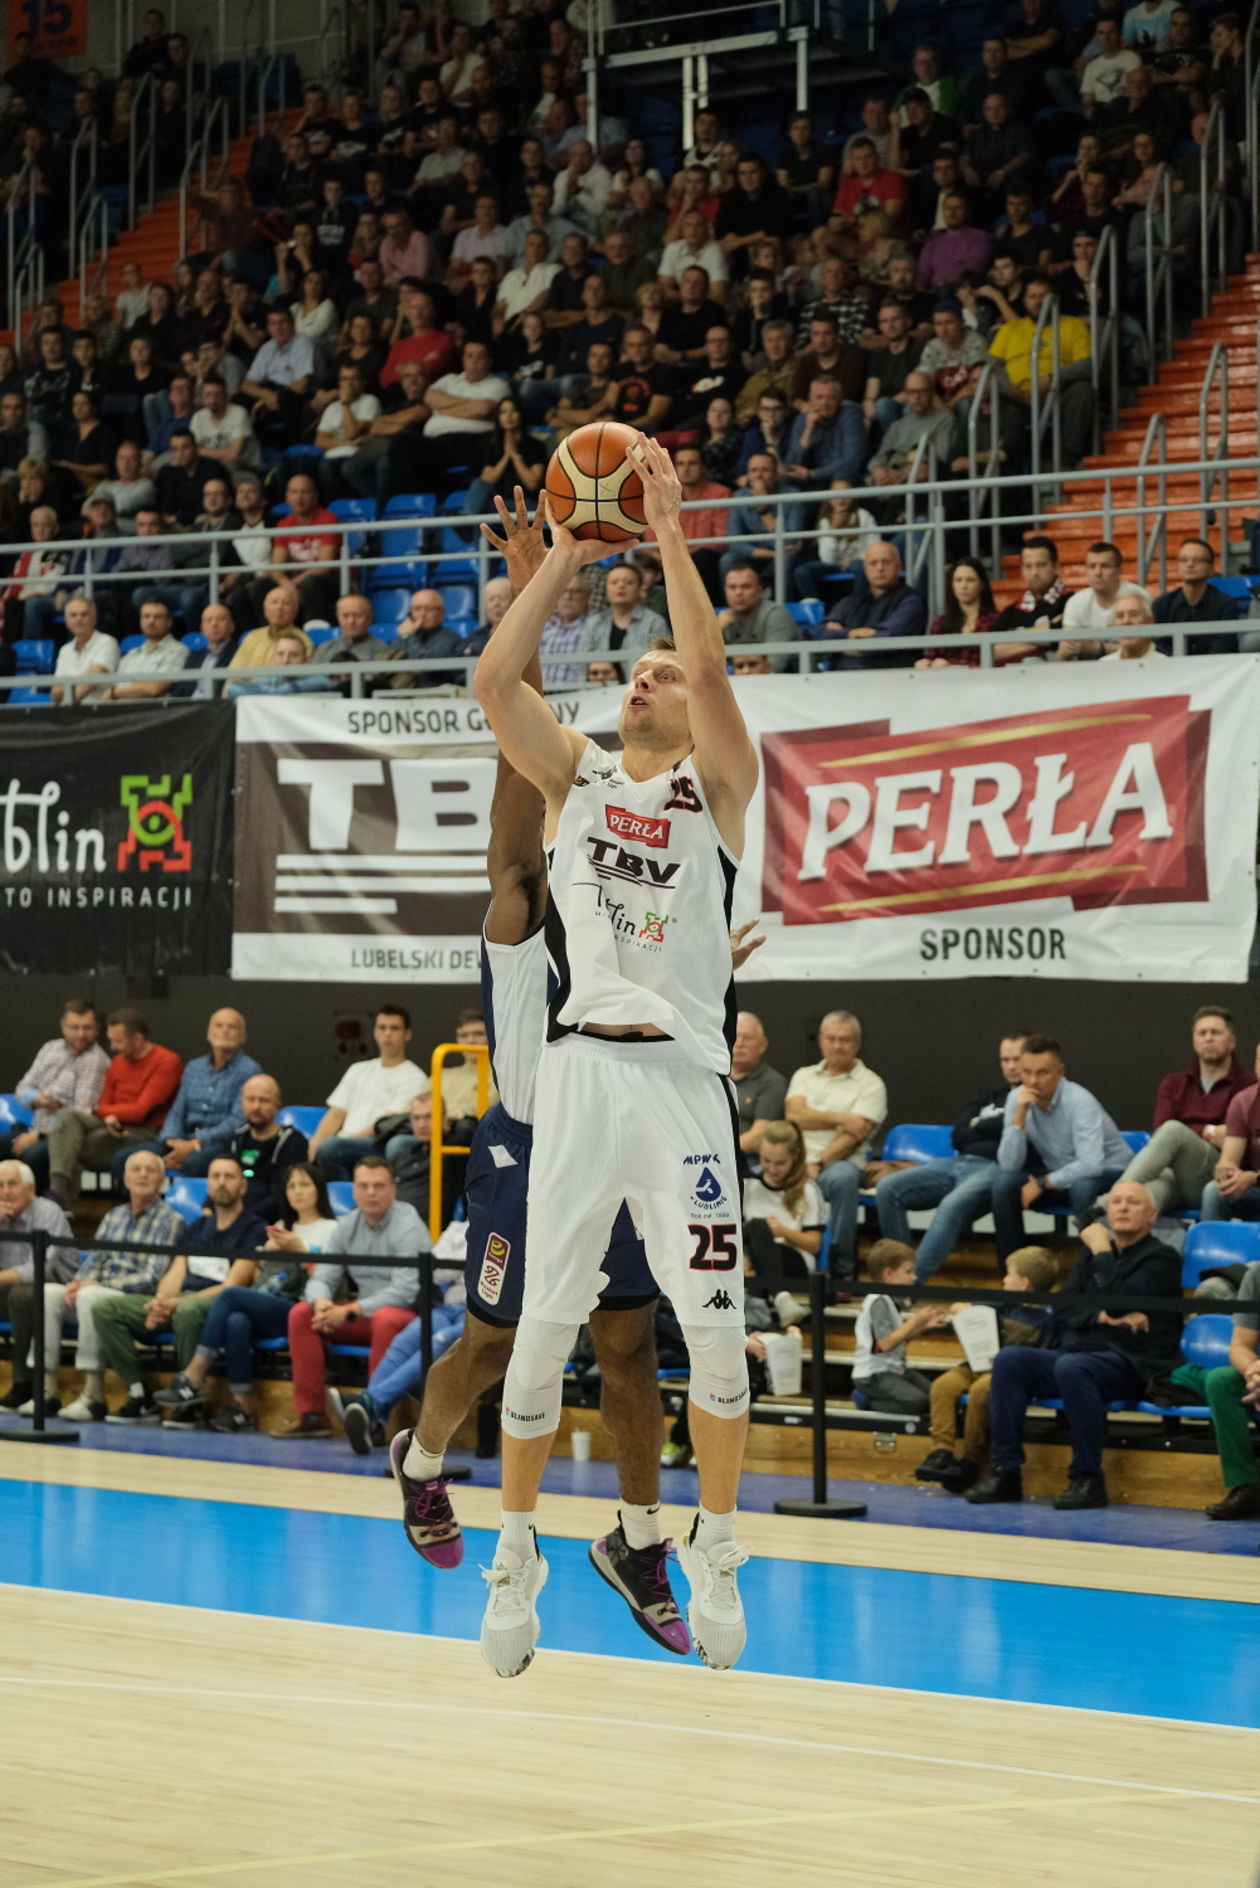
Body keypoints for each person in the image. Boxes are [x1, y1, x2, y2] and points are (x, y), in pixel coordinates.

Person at [472, 441, 760, 1676]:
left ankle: (719, 1548)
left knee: (717, 1331)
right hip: (584, 1072)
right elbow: (493, 682)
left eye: (659, 675)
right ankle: (516, 1555)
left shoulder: (723, 790)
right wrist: (573, 559)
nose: (643, 680)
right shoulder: (577, 779)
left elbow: (706, 658)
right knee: (542, 1335)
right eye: (630, 672)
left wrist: (670, 530)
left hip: (686, 1087)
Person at [968, 1181, 1182, 1509]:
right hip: (1081, 1355)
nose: (1122, 1208)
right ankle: (1005, 1472)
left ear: (1151, 1215)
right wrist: (1101, 1317)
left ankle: (1087, 1478)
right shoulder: (1090, 1260)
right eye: (1116, 1202)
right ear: (1107, 1211)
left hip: (1132, 1363)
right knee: (1012, 1359)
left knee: (1073, 1366)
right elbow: (1064, 1310)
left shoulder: (1162, 1259)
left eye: (1133, 1203)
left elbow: (1119, 1302)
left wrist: (1101, 1253)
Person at [155, 1161, 339, 1433]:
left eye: (305, 1185)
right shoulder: (279, 1226)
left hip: (305, 1308)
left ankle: (194, 1374)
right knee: (236, 1321)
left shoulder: (332, 1228)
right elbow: (261, 1276)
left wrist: (300, 1251)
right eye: (291, 1186)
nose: (298, 1192)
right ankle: (243, 1407)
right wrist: (267, 1254)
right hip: (271, 1299)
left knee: (230, 1295)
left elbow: (329, 1282)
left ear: (319, 1190)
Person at [92, 1155, 270, 1425]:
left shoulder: (253, 1228)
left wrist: (175, 1304)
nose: (221, 1183)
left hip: (219, 1303)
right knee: (105, 1309)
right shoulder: (197, 1227)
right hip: (180, 1300)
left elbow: (234, 1285)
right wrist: (161, 1302)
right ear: (208, 1184)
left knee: (187, 1310)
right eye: (215, 1177)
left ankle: (191, 1400)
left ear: (242, 1186)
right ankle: (139, 1394)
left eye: (229, 1177)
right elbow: (177, 1270)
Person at [274, 1156, 427, 1439]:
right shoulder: (347, 1225)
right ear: (354, 1190)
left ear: (392, 1190)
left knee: (385, 1317)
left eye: (378, 1186)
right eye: (364, 1186)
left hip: (408, 1319)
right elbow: (322, 1276)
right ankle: (312, 1415)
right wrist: (321, 1302)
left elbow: (406, 1292)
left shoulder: (409, 1224)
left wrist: (350, 1309)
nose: (371, 1193)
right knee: (302, 1314)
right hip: (361, 1316)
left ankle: (375, 1419)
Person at [41, 1149, 186, 1422]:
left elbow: (153, 1276)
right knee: (49, 1293)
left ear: (162, 1180)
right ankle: (46, 1390)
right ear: (125, 1179)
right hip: (95, 1289)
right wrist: (78, 1281)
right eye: (136, 1170)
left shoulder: (171, 1220)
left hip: (132, 1298)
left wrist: (95, 1284)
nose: (143, 1175)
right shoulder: (114, 1215)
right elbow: (94, 1260)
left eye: (150, 1170)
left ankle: (93, 1394)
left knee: (91, 1296)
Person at [877, 1034, 1028, 1282]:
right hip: (957, 1162)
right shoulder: (987, 1097)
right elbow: (958, 1136)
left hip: (995, 1167)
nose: (1010, 1066)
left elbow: (1015, 1130)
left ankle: (911, 1285)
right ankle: (899, 1272)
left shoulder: (1030, 1100)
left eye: (1016, 1059)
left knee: (951, 1205)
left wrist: (979, 1124)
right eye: (1005, 1060)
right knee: (887, 1188)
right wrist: (993, 1126)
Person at [917, 1245, 1059, 1493]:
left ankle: (971, 1459)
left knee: (980, 1393)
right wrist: (964, 1311)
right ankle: (940, 1451)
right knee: (942, 1386)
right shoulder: (1004, 1303)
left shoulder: (1049, 1320)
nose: (1004, 1279)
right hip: (974, 1365)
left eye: (1009, 1274)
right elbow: (962, 1306)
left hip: (1003, 1374)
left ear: (1024, 1283)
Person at [992, 1033, 1132, 1260]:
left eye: (1042, 1072)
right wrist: (1018, 1119)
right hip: (1062, 1177)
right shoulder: (1017, 1099)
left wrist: (1042, 1182)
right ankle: (1015, 1275)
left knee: (1082, 1186)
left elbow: (1090, 1165)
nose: (1033, 1081)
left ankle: (1095, 1271)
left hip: (1110, 1175)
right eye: (1027, 1072)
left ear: (1060, 1072)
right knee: (1004, 1184)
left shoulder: (1080, 1101)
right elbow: (1009, 1165)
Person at [786, 1010, 888, 1287]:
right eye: (832, 1039)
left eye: (845, 1040)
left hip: (839, 1163)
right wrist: (842, 1118)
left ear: (857, 1044)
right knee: (757, 1172)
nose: (838, 1045)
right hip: (794, 1160)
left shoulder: (871, 1084)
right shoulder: (803, 1075)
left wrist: (818, 1162)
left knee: (843, 1179)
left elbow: (854, 1137)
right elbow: (794, 1116)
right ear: (821, 1041)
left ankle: (841, 1267)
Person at [1119, 1007, 1251, 1216]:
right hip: (1174, 1175)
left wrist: (1189, 1133)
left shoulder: (1249, 1086)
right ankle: (1102, 1218)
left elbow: (1244, 1141)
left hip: (1216, 1178)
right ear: (1194, 1040)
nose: (1208, 1038)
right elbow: (1161, 1132)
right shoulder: (1173, 1083)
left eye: (1215, 1033)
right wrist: (1209, 1131)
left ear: (1232, 1041)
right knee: (1144, 1198)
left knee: (1174, 1130)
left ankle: (1116, 1194)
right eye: (1202, 1033)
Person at [45, 1010, 182, 1208]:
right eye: (111, 1041)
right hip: (109, 1124)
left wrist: (104, 1112)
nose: (113, 1047)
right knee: (66, 1116)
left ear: (137, 1039)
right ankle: (58, 1193)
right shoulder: (118, 1062)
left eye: (118, 1042)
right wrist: (107, 1116)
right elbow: (103, 1102)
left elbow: (140, 1111)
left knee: (65, 1143)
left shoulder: (167, 1061)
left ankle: (60, 1201)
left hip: (143, 1131)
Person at [111, 1007, 260, 1185]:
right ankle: (139, 1209)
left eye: (232, 1027)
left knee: (194, 1164)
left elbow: (237, 1121)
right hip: (181, 1139)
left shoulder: (249, 1070)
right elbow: (177, 1111)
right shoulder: (193, 1068)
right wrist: (171, 1139)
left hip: (219, 1144)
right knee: (124, 1160)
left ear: (242, 1036)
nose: (225, 1030)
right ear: (208, 1033)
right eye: (218, 1025)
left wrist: (195, 1144)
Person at [309, 1003, 427, 1178]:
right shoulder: (358, 1069)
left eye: (394, 1028)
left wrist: (346, 1139)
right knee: (310, 1152)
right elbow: (336, 1113)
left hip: (379, 1144)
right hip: (344, 1143)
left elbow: (387, 1123)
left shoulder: (415, 1077)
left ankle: (352, 1200)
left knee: (331, 1148)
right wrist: (316, 1141)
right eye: (382, 1027)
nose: (387, 1033)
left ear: (407, 1034)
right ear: (375, 1032)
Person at [2, 998, 109, 1189]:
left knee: (32, 1155)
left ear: (97, 1028)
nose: (81, 1034)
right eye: (74, 1027)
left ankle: (40, 1210)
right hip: (33, 1127)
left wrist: (39, 1136)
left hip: (65, 1137)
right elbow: (22, 1088)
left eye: (87, 1028)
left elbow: (81, 1112)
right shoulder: (50, 1048)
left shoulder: (96, 1061)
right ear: (63, 1025)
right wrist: (36, 1099)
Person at [0, 1161, 75, 1414]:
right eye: (0, 1185)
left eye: (12, 1184)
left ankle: (23, 1383)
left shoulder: (48, 1212)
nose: (5, 1191)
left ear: (30, 1189)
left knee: (22, 1294)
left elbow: (40, 1269)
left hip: (57, 1288)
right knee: (17, 1294)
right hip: (7, 1288)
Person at [850, 1239, 951, 1416]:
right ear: (889, 1274)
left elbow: (898, 1339)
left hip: (894, 1368)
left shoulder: (889, 1300)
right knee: (918, 1403)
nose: (914, 1277)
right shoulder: (879, 1301)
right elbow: (884, 1345)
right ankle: (866, 1402)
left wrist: (922, 1326)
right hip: (874, 1374)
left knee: (936, 1396)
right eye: (909, 1271)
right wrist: (914, 1320)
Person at [820, 540, 927, 668]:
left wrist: (841, 641)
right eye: (873, 563)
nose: (879, 568)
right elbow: (821, 634)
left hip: (891, 678)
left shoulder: (911, 601)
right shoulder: (851, 601)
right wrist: (849, 633)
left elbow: (886, 639)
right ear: (865, 569)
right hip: (839, 678)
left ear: (899, 567)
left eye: (886, 562)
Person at [1199, 1047, 1260, 1225]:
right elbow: (1228, 1159)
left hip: (1254, 1180)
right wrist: (1227, 1174)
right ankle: (1211, 1251)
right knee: (1215, 1191)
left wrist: (1250, 1178)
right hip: (1255, 1189)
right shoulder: (1244, 1101)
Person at [1152, 536, 1240, 655]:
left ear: (1211, 568)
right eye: (1184, 559)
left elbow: (1223, 647)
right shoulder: (1162, 604)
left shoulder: (1225, 604)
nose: (1190, 564)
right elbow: (1158, 648)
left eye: (1198, 560)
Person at [990, 535, 1074, 659]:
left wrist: (1013, 637)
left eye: (1041, 565)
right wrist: (1046, 634)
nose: (1034, 572)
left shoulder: (1072, 602)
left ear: (1055, 566)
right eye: (1028, 566)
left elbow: (1068, 640)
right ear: (1021, 570)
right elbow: (990, 650)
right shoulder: (1011, 611)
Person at [1059, 541, 1151, 645]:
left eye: (1105, 566)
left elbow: (1145, 644)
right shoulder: (1075, 603)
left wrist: (1099, 649)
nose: (1098, 573)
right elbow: (1069, 648)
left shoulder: (1139, 597)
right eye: (1092, 566)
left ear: (1119, 570)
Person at [714, 562, 797, 673]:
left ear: (759, 591)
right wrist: (716, 630)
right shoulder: (723, 620)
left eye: (746, 587)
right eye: (732, 587)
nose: (738, 592)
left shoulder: (776, 615)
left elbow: (773, 667)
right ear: (725, 591)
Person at [103, 599, 190, 701]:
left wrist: (114, 692)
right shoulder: (132, 654)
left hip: (155, 713)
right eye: (146, 616)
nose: (151, 621)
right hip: (121, 713)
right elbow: (115, 684)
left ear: (169, 622)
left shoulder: (179, 651)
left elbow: (154, 689)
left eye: (157, 617)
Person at [731, 1012, 787, 1163]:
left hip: (747, 1160)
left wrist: (718, 1153)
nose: (740, 1043)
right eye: (735, 1036)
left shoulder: (773, 1082)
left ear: (762, 1045)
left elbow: (758, 1137)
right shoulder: (713, 1077)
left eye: (747, 1037)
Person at [50, 595, 121, 705]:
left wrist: (65, 705)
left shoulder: (107, 643)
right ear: (66, 620)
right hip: (69, 712)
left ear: (94, 618)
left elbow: (90, 683)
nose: (79, 618)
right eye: (73, 615)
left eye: (84, 614)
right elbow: (55, 692)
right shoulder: (65, 650)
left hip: (99, 713)